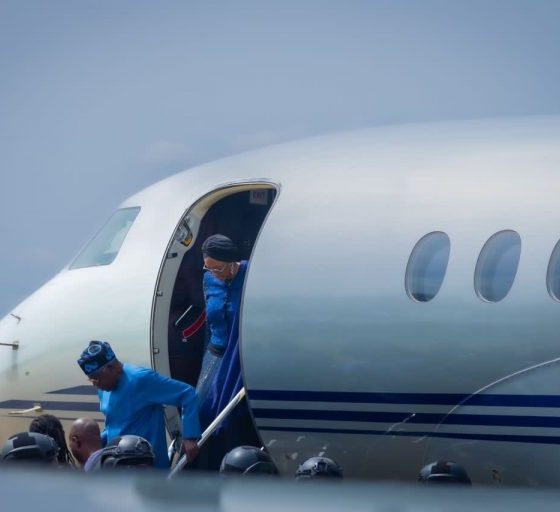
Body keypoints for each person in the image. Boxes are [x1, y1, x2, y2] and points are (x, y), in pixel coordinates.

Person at [77, 340, 201, 469]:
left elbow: (188, 394)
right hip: (121, 467)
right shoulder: (104, 389)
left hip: (149, 469)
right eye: (91, 379)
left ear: (110, 368)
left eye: (96, 379)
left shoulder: (141, 379)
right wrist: (92, 444)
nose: (95, 384)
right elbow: (113, 426)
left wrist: (190, 436)